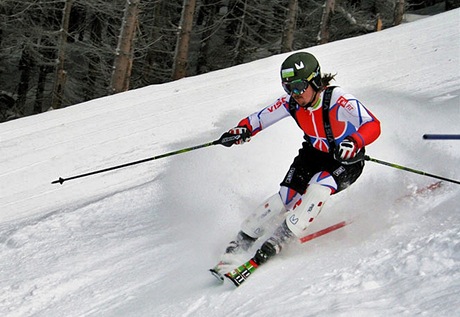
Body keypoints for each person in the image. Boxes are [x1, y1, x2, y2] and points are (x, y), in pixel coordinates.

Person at [212, 51, 381, 276]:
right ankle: (239, 244)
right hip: (312, 154)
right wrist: (242, 130)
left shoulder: (337, 99)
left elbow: (372, 124)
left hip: (346, 159)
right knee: (285, 197)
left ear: (314, 80)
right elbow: (260, 119)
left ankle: (279, 239)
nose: (295, 94)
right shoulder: (291, 103)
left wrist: (354, 141)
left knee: (318, 188)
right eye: (288, 88)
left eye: (299, 86)